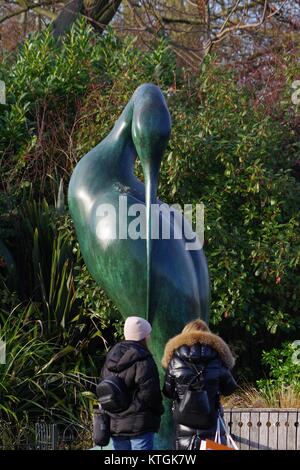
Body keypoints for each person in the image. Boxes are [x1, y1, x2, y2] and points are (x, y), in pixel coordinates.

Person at [162, 319, 237, 450]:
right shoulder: (217, 359)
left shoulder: (175, 359)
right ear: (208, 335)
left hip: (184, 423)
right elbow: (230, 388)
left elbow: (168, 391)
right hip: (210, 423)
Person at [100, 316, 164, 450]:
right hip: (140, 425)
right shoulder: (144, 359)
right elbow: (151, 393)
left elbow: (104, 389)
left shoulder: (111, 357)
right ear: (143, 337)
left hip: (115, 422)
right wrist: (158, 411)